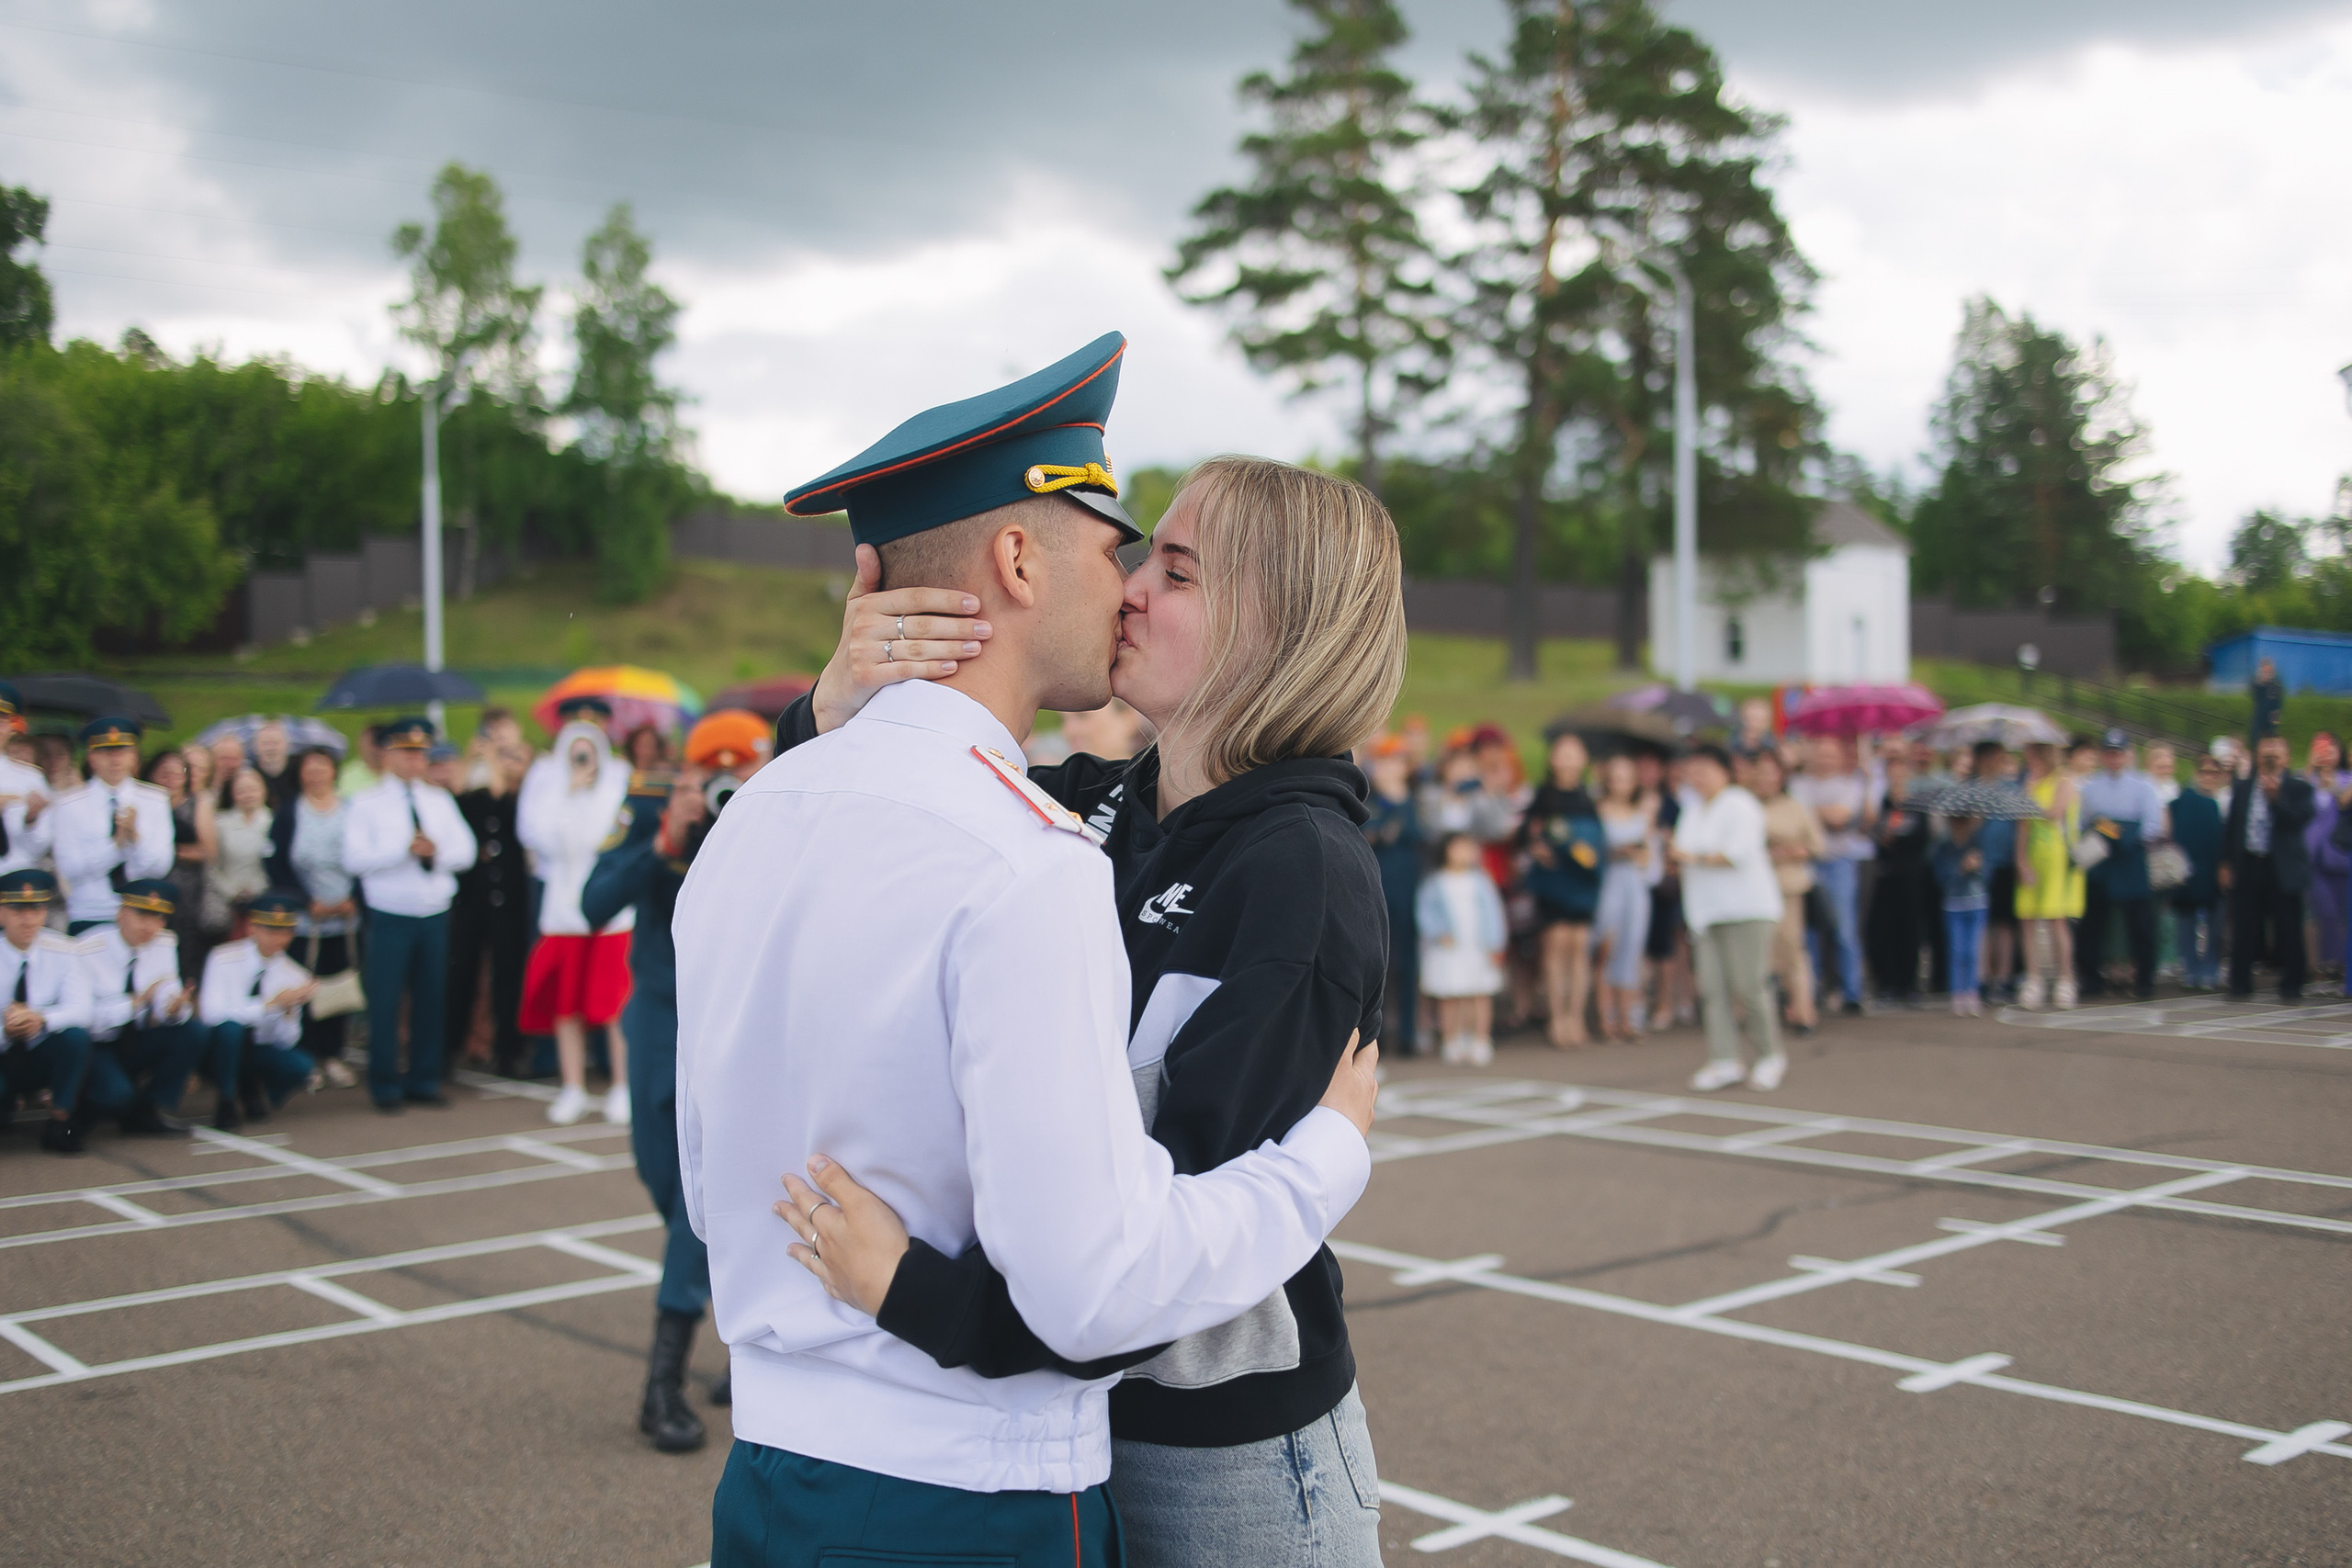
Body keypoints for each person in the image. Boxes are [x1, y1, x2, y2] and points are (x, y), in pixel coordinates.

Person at [682, 338, 1385, 1568]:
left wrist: (910, 1289)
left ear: (1278, 620)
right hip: (1057, 1405)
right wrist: (833, 699)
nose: (1126, 588)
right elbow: (878, 794)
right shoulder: (1075, 813)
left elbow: (1141, 1244)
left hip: (1220, 1435)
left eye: (1171, 566)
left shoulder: (1301, 866)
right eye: (1129, 551)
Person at [582, 707, 770, 1452]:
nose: (730, 783)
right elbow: (594, 902)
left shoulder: (778, 807)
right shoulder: (653, 803)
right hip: (661, 1022)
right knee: (667, 1184)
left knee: (707, 1194)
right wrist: (662, 840)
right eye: (717, 772)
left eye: (743, 768)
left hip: (735, 1025)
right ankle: (734, 1338)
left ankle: (661, 1380)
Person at [344, 716, 478, 1112]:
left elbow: (466, 852)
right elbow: (354, 858)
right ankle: (384, 1083)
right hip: (390, 912)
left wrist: (434, 852)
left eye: (419, 753)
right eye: (405, 753)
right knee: (384, 1002)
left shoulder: (438, 800)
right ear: (387, 755)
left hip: (433, 912)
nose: (413, 761)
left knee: (430, 999)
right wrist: (403, 848)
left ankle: (423, 1078)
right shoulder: (366, 803)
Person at [518, 716, 636, 1126]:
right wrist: (570, 795)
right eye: (575, 753)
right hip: (564, 914)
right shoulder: (553, 793)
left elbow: (604, 842)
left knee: (614, 1005)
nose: (582, 759)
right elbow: (544, 842)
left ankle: (622, 1087)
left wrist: (588, 798)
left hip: (611, 915)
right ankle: (573, 1087)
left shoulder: (616, 790)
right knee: (566, 1008)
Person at [1674, 742, 1787, 1091]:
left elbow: (1735, 854)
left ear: (1725, 771)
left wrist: (1692, 855)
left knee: (1750, 985)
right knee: (1713, 989)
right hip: (1707, 913)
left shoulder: (1741, 804)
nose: (1698, 777)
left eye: (1704, 769)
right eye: (1692, 770)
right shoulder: (1691, 811)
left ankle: (1770, 1055)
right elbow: (1679, 853)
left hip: (1748, 909)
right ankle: (1725, 1059)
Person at [77, 878, 209, 1135]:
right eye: (142, 915)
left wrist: (174, 1007)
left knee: (194, 1031)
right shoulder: (87, 949)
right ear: (121, 914)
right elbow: (86, 1019)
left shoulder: (164, 943)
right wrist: (136, 1002)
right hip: (98, 1044)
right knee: (115, 1096)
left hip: (135, 1038)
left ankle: (147, 1111)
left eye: (159, 918)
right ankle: (79, 1113)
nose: (151, 926)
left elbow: (165, 995)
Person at [267, 747, 360, 1089]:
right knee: (303, 987)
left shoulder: (352, 809)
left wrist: (355, 899)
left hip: (347, 918)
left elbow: (365, 854)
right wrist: (306, 901)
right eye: (310, 767)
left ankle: (333, 1053)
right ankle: (304, 1057)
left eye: (323, 766)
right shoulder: (290, 812)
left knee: (340, 985)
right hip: (307, 919)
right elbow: (275, 864)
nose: (317, 773)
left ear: (334, 771)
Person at [449, 727, 534, 1077]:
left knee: (508, 977)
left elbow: (505, 801)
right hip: (473, 901)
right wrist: (474, 758)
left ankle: (508, 1051)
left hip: (510, 902)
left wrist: (496, 765)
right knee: (461, 974)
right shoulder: (476, 796)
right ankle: (451, 1048)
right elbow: (458, 800)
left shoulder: (525, 799)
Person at [197, 890, 317, 1125]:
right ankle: (226, 1099)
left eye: (286, 931)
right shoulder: (223, 958)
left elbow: (286, 1041)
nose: (279, 939)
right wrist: (269, 1006)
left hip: (258, 1047)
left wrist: (287, 1013)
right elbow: (213, 1014)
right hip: (219, 1047)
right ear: (252, 928)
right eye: (271, 930)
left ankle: (254, 1091)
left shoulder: (294, 974)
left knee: (300, 1065)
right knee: (230, 1031)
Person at [51, 717, 175, 936]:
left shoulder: (155, 800)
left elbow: (160, 867)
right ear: (91, 757)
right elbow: (71, 870)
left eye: (122, 751)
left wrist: (135, 838)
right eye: (106, 752)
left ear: (134, 756)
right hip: (91, 913)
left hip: (143, 912)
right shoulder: (69, 805)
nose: (115, 759)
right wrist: (115, 846)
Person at [0, 869, 96, 1153]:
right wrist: (6, 1030)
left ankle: (59, 1123)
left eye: (36, 909)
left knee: (76, 1037)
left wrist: (40, 1018)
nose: (28, 919)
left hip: (39, 1051)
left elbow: (83, 1010)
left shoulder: (63, 950)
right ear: (1, 913)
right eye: (17, 910)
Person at [1518, 730, 1603, 1048]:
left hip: (1582, 883)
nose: (1568, 758)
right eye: (1562, 752)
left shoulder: (1589, 797)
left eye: (1574, 752)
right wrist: (1536, 847)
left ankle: (1576, 1017)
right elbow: (1526, 833)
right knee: (1555, 947)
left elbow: (1599, 841)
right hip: (1554, 882)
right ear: (1552, 760)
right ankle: (1557, 1018)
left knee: (1580, 948)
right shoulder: (1543, 796)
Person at [2223, 732, 2314, 1002]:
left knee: (2288, 927)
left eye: (2277, 750)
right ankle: (2239, 984)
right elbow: (2231, 827)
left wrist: (2276, 799)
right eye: (2266, 750)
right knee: (2244, 925)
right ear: (2257, 754)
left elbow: (2299, 820)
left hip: (2282, 866)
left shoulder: (2299, 787)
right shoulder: (2243, 786)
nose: (2271, 755)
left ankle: (2292, 985)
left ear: (2286, 757)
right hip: (2250, 862)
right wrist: (2226, 862)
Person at [2075, 728, 2165, 1000]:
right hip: (2101, 858)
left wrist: (2128, 838)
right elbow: (2083, 822)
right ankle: (2090, 979)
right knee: (2091, 924)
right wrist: (2106, 832)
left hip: (2131, 857)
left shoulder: (2143, 785)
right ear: (2103, 756)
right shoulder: (2090, 787)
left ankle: (2145, 981)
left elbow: (2152, 824)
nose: (2114, 758)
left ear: (2126, 755)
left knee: (2140, 925)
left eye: (2118, 753)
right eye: (2109, 753)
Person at [1789, 733, 1872, 1014]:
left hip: (1839, 862)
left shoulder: (1849, 784)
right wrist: (1821, 814)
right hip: (1804, 862)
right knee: (1807, 933)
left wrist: (1808, 814)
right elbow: (1794, 823)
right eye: (1820, 753)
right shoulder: (1797, 783)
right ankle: (1808, 993)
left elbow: (1840, 818)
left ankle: (1853, 992)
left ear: (1839, 757)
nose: (1825, 759)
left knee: (1844, 930)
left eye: (1830, 754)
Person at [1419, 829, 1508, 1064]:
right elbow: (1425, 912)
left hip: (1477, 946)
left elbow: (1494, 914)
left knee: (1478, 994)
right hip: (1447, 949)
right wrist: (1438, 932)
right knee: (1450, 995)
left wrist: (1495, 942)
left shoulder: (1481, 881)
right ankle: (1451, 1039)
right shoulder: (1436, 882)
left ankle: (1479, 1039)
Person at [1360, 735, 1424, 1056]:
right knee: (1379, 964)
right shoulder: (1367, 800)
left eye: (1397, 760)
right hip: (1377, 888)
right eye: (1385, 760)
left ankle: (1410, 1033)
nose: (1390, 767)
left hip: (1409, 887)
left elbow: (1420, 836)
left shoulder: (1415, 799)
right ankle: (1377, 1036)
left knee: (1409, 961)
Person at [1752, 749, 1823, 1034]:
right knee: (1761, 954)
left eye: (1771, 772)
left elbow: (1816, 845)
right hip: (1754, 890)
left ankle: (1802, 1009)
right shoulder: (1745, 805)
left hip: (1787, 888)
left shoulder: (1794, 807)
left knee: (1792, 950)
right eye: (1760, 771)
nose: (1765, 778)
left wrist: (1793, 851)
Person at [1591, 751, 1657, 1043]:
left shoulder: (1642, 815)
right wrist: (1616, 853)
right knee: (1608, 945)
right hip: (1609, 883)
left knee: (1632, 948)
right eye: (1616, 778)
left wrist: (1639, 854)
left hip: (1634, 885)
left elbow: (1650, 859)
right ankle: (1606, 1018)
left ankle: (1628, 1015)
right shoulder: (1599, 811)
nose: (1621, 784)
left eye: (1627, 778)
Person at [2014, 739, 2085, 1010]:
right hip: (2033, 854)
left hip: (2057, 855)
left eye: (2032, 754)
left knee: (2056, 918)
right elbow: (2022, 826)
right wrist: (2020, 860)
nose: (2028, 759)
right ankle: (2034, 978)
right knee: (2028, 918)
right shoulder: (2028, 782)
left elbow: (2055, 813)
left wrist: (2028, 797)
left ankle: (2065, 978)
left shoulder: (2063, 781)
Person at [1866, 754, 1932, 1006]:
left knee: (1911, 929)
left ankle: (1909, 983)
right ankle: (1887, 982)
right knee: (1886, 929)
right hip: (1886, 874)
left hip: (1912, 874)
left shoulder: (1917, 805)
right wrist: (1883, 839)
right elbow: (1870, 832)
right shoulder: (1880, 804)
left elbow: (1924, 837)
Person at [144, 749, 214, 981]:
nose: (171, 778)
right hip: (149, 886)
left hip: (186, 890)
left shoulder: (196, 803)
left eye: (178, 772)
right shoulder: (143, 801)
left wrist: (167, 851)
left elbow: (208, 852)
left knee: (186, 945)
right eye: (164, 773)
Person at [2168, 752, 2226, 991]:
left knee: (2217, 924)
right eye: (2204, 772)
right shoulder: (2183, 801)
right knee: (2187, 922)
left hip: (2216, 869)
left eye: (2214, 773)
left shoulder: (2224, 801)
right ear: (2196, 773)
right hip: (2189, 870)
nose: (2208, 777)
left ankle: (2210, 969)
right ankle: (2190, 969)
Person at [1973, 741, 2023, 1002]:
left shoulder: (2012, 789)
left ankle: (2004, 977)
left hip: (2005, 863)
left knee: (2004, 924)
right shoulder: (1971, 791)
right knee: (1982, 923)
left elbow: (2020, 826)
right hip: (1979, 864)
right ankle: (1980, 977)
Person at [204, 766, 275, 937]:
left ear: (264, 790)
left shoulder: (275, 822)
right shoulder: (220, 823)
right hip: (228, 901)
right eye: (241, 790)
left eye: (253, 789)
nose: (248, 795)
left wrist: (259, 889)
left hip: (265, 899)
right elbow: (211, 864)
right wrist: (231, 891)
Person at [1933, 816, 1993, 1015]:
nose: (1960, 825)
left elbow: (1988, 875)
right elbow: (1940, 878)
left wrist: (1979, 866)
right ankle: (1957, 993)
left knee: (1973, 951)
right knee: (1957, 951)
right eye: (1956, 821)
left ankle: (1972, 991)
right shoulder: (1944, 847)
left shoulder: (1979, 844)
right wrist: (1960, 869)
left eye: (1964, 821)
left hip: (1977, 904)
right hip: (1953, 905)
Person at [2301, 732, 2348, 983]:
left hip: (2340, 856)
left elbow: (2344, 801)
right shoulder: (2307, 779)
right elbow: (2296, 797)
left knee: (2342, 913)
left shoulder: (2346, 779)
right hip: (2312, 857)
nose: (2326, 754)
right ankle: (2322, 963)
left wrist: (2333, 786)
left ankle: (2341, 963)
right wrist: (2311, 768)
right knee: (2322, 911)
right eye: (2321, 749)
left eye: (2331, 749)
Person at [0, 682, 55, 878]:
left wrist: (32, 819)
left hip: (17, 881)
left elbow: (38, 848)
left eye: (2, 720)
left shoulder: (30, 777)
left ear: (11, 728)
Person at [251, 718, 299, 812]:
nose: (270, 748)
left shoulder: (300, 771)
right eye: (265, 743)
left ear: (288, 746)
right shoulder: (250, 773)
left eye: (275, 743)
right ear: (254, 747)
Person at [2250, 656, 2283, 748]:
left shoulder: (2276, 686)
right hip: (2259, 718)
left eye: (2269, 672)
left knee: (2269, 743)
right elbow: (2256, 695)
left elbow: (2277, 704)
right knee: (2256, 741)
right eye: (2264, 671)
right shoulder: (2258, 686)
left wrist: (2276, 720)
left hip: (2271, 720)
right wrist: (2262, 682)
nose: (2267, 674)